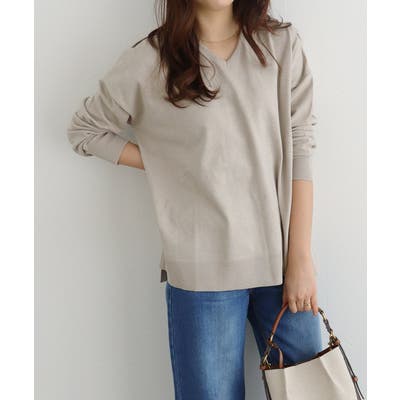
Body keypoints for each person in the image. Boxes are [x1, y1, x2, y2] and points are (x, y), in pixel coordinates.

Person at [67, 1, 323, 398]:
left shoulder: (280, 45)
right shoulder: (151, 60)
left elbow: (300, 148)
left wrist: (301, 258)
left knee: (315, 392)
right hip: (203, 274)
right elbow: (85, 132)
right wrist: (166, 162)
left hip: (284, 266)